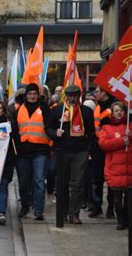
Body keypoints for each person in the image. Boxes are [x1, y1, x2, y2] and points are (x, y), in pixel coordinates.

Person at [46, 85, 95, 224]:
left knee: (77, 184)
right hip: (62, 151)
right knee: (62, 183)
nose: (72, 98)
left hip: (80, 152)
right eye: (69, 96)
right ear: (65, 96)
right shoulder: (57, 110)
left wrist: (88, 148)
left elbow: (91, 132)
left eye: (75, 96)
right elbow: (48, 128)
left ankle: (74, 213)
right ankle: (63, 211)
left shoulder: (86, 111)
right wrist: (55, 133)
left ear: (78, 96)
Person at [11, 83, 50, 220]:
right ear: (26, 95)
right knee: (23, 181)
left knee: (39, 180)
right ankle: (25, 206)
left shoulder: (45, 109)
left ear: (38, 95)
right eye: (29, 94)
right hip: (23, 151)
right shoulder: (18, 111)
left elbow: (50, 128)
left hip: (40, 150)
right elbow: (14, 131)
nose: (32, 96)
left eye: (34, 94)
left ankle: (38, 210)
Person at [98, 101, 131, 230]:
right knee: (117, 198)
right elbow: (104, 144)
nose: (119, 113)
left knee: (128, 199)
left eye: (121, 110)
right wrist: (122, 141)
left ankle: (128, 220)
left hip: (129, 167)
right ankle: (121, 220)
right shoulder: (107, 127)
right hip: (115, 167)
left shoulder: (129, 125)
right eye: (116, 110)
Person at [89, 86, 115, 218]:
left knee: (111, 179)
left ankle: (111, 207)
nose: (95, 94)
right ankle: (97, 206)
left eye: (97, 92)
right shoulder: (97, 107)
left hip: (111, 148)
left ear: (104, 93)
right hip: (97, 147)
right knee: (97, 179)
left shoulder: (113, 107)